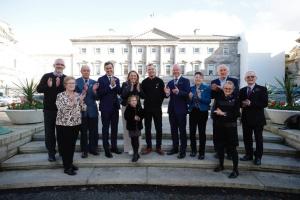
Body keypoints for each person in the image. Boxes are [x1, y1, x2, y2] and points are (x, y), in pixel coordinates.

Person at [37, 58, 66, 162]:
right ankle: (51, 153)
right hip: (49, 110)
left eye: (61, 64)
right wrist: (48, 86)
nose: (59, 66)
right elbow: (39, 89)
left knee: (61, 133)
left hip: (62, 110)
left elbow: (69, 91)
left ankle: (62, 152)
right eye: (57, 64)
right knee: (49, 133)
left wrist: (60, 86)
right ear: (54, 65)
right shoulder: (46, 76)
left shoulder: (66, 78)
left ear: (64, 66)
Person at [56, 76, 86, 175]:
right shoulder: (61, 96)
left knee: (72, 145)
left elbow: (84, 109)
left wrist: (81, 101)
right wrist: (73, 102)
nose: (72, 85)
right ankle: (67, 167)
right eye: (70, 83)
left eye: (73, 83)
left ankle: (70, 163)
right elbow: (62, 109)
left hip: (75, 124)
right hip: (64, 124)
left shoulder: (77, 95)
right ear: (65, 85)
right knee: (66, 146)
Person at [239, 71, 268, 165]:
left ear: (256, 78)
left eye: (252, 76)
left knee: (258, 139)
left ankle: (258, 157)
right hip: (246, 119)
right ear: (245, 79)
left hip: (258, 119)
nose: (250, 78)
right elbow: (239, 103)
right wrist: (242, 104)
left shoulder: (262, 89)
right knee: (247, 138)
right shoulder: (242, 90)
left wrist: (251, 103)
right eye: (248, 77)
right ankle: (249, 155)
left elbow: (264, 103)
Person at [212, 81, 240, 178]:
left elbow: (236, 114)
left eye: (229, 89)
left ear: (233, 90)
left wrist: (223, 113)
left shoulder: (236, 99)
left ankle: (235, 170)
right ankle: (221, 165)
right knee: (220, 148)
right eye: (226, 88)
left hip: (231, 129)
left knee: (232, 149)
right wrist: (218, 114)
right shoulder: (218, 98)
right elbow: (214, 112)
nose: (227, 90)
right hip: (219, 128)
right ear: (223, 88)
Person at [211, 64, 239, 160]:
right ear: (218, 72)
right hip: (218, 109)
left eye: (224, 70)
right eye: (221, 70)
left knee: (229, 133)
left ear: (227, 71)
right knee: (217, 132)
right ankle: (218, 151)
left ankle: (229, 152)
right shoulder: (214, 82)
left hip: (230, 109)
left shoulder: (234, 81)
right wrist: (214, 90)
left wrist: (222, 88)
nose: (223, 72)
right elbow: (212, 96)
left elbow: (236, 93)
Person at [96, 61, 122, 158]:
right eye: (107, 68)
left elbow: (119, 91)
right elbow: (99, 94)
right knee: (105, 129)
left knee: (114, 129)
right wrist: (110, 86)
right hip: (105, 108)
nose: (109, 70)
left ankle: (114, 147)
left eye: (110, 68)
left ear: (113, 68)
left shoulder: (117, 79)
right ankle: (106, 149)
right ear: (105, 69)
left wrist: (114, 86)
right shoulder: (101, 79)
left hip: (115, 107)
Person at [165, 64, 190, 159]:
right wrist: (167, 94)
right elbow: (167, 94)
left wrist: (179, 92)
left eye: (177, 70)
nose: (175, 71)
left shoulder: (185, 81)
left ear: (180, 71)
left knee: (182, 131)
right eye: (174, 70)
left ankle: (182, 150)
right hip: (172, 110)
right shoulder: (170, 82)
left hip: (181, 110)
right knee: (173, 130)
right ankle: (175, 148)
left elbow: (187, 94)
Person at [141, 64, 165, 155]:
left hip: (157, 109)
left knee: (159, 128)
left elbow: (163, 95)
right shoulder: (144, 82)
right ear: (147, 71)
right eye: (149, 69)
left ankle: (158, 147)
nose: (151, 71)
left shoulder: (160, 81)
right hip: (147, 109)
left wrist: (158, 103)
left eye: (152, 69)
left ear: (155, 70)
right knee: (147, 129)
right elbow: (142, 95)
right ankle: (149, 147)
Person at [75, 65, 99, 158]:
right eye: (84, 70)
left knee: (94, 131)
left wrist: (94, 91)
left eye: (88, 70)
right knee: (84, 132)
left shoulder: (94, 82)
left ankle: (93, 149)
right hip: (81, 111)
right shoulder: (76, 82)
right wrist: (83, 92)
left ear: (90, 72)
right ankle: (84, 150)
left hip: (92, 111)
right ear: (81, 71)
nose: (86, 72)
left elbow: (97, 98)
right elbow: (74, 96)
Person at [188, 72, 211, 160]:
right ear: (194, 78)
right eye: (196, 77)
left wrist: (199, 97)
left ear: (202, 78)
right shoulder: (191, 88)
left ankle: (202, 152)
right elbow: (189, 102)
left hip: (202, 112)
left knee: (202, 133)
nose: (197, 79)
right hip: (193, 111)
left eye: (199, 77)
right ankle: (193, 150)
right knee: (192, 132)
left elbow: (208, 101)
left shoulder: (206, 88)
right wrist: (190, 98)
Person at [121, 70, 144, 155]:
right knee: (127, 129)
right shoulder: (125, 84)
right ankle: (128, 148)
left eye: (135, 76)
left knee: (137, 129)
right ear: (128, 77)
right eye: (131, 75)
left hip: (137, 109)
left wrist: (139, 89)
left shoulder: (139, 85)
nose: (133, 77)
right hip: (127, 108)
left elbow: (143, 96)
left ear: (137, 77)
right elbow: (123, 95)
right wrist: (130, 87)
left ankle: (137, 149)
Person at [124, 95, 144, 162]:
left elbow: (142, 114)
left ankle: (135, 154)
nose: (134, 102)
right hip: (131, 127)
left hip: (137, 127)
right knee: (133, 140)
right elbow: (126, 116)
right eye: (132, 100)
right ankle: (136, 153)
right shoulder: (128, 108)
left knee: (136, 139)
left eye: (135, 100)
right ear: (129, 102)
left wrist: (139, 117)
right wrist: (133, 117)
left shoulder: (139, 107)